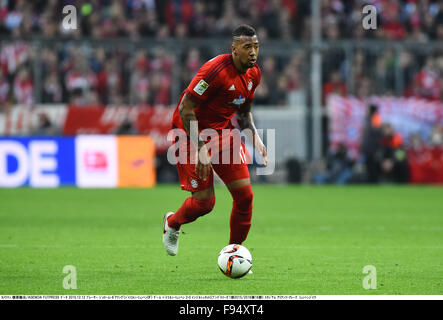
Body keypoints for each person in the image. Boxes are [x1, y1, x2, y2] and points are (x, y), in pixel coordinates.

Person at [163, 25, 267, 256]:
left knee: (245, 197)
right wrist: (200, 148)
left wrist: (255, 137)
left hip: (222, 133)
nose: (253, 52)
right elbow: (184, 108)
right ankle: (172, 223)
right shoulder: (214, 71)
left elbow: (243, 110)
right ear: (234, 49)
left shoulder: (254, 74)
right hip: (190, 133)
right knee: (204, 204)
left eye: (256, 47)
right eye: (247, 47)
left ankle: (233, 253)